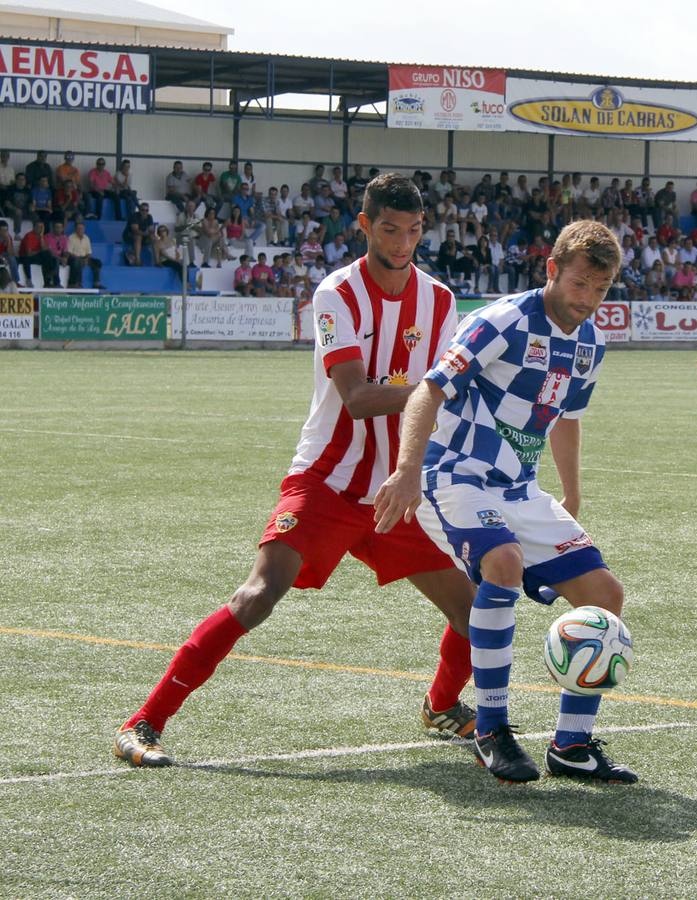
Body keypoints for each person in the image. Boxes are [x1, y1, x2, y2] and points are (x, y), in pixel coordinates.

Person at [113, 173, 477, 768]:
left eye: (413, 230)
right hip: (328, 482)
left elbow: (434, 401)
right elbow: (358, 398)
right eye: (389, 228)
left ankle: (442, 705)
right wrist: (438, 389)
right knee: (259, 594)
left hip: (398, 488)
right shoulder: (337, 293)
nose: (403, 242)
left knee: (474, 608)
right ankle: (144, 721)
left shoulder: (440, 301)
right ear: (364, 225)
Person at [374, 219, 638, 785]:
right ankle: (492, 729)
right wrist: (407, 469)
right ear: (552, 270)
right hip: (454, 475)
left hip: (520, 488)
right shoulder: (503, 320)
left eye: (601, 288)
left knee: (604, 594)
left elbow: (566, 419)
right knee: (504, 563)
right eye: (580, 284)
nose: (588, 299)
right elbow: (429, 389)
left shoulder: (591, 342)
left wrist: (570, 493)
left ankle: (571, 745)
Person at [17, 221, 56, 287]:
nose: (39, 229)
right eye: (38, 227)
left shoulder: (41, 237)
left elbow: (45, 249)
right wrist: (40, 251)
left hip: (36, 256)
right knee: (43, 255)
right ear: (34, 227)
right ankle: (29, 280)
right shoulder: (29, 236)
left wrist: (41, 237)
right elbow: (28, 253)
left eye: (41, 227)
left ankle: (47, 281)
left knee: (50, 257)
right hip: (25, 257)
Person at [66, 220, 103, 289]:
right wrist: (79, 259)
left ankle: (96, 283)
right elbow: (69, 252)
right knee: (77, 261)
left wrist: (86, 259)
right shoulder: (71, 237)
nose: (80, 230)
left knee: (97, 262)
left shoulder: (86, 238)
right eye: (79, 228)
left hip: (84, 257)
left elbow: (89, 253)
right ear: (75, 229)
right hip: (73, 258)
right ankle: (75, 283)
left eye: (82, 228)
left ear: (84, 229)